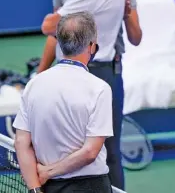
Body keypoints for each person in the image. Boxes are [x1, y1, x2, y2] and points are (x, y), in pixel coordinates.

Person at [40, 0, 142, 190]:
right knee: (66, 148)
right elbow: (54, 34)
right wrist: (40, 75)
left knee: (110, 152)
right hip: (68, 73)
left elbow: (136, 37)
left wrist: (125, 13)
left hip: (106, 71)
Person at [13, 12, 114, 193]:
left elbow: (21, 142)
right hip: (90, 187)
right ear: (91, 47)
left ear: (59, 43)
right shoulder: (100, 89)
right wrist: (47, 173)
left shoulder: (34, 84)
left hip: (47, 188)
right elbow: (90, 152)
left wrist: (35, 188)